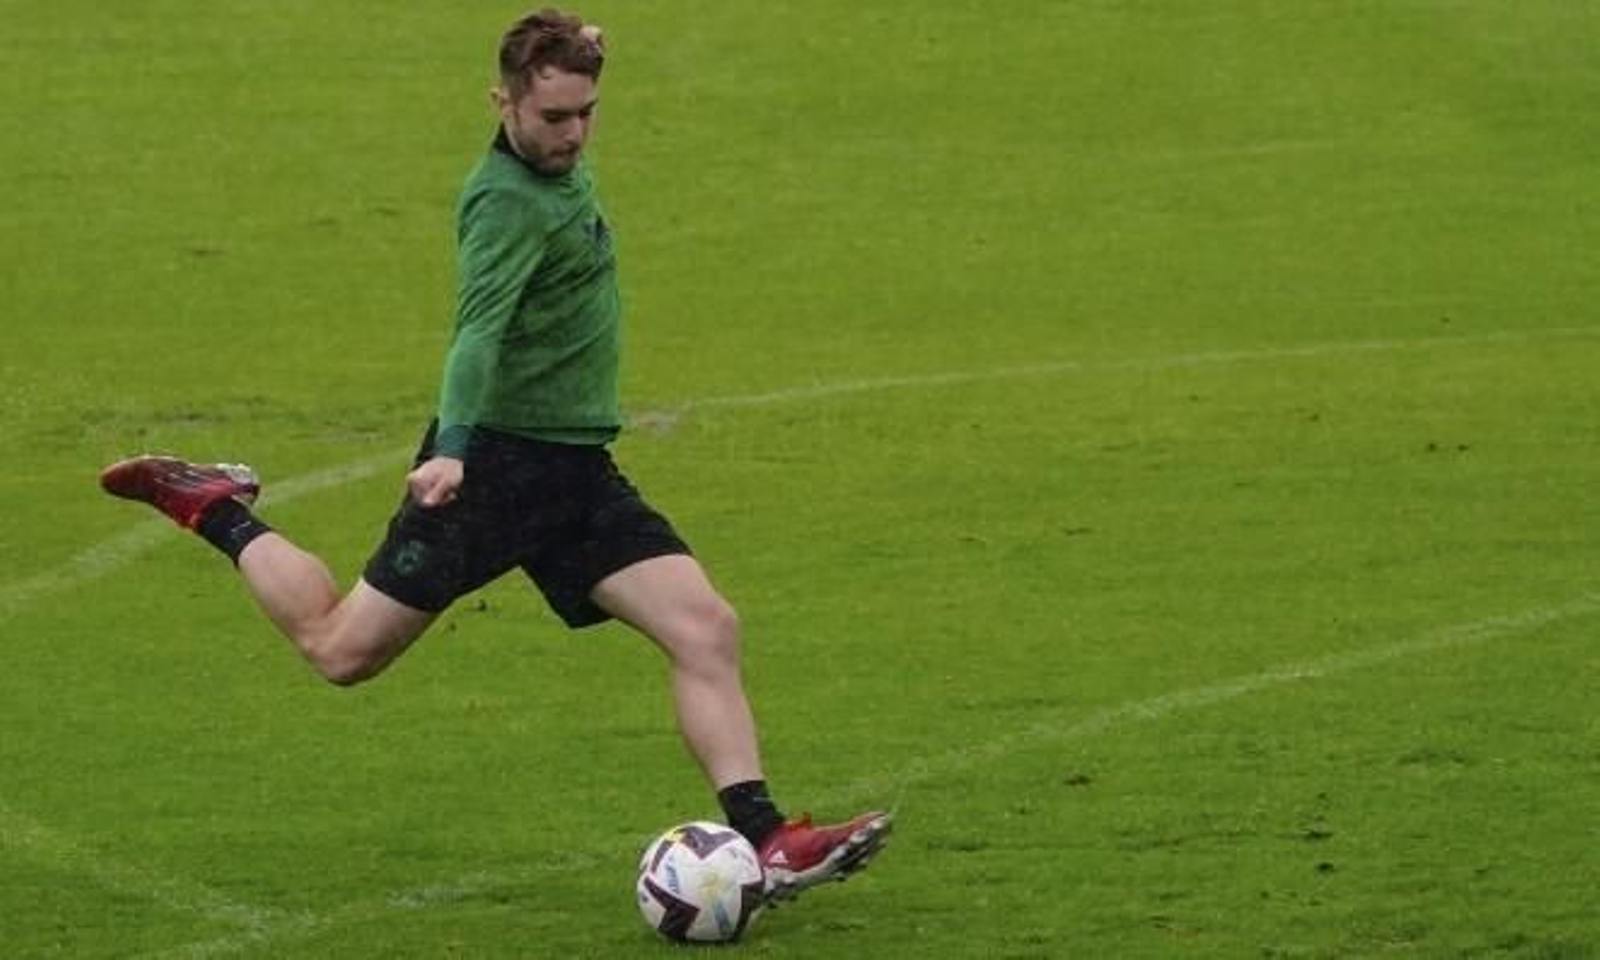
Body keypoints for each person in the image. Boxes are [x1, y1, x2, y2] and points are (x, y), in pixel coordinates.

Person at [99, 7, 889, 904]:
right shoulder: (505, 204)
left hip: (575, 471)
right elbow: (476, 334)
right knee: (339, 650)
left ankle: (767, 839)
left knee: (705, 627)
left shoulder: (557, 148)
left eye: (586, 112)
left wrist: (580, 43)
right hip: (494, 471)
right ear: (502, 102)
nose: (573, 134)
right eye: (554, 117)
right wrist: (454, 450)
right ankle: (213, 505)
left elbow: (565, 69)